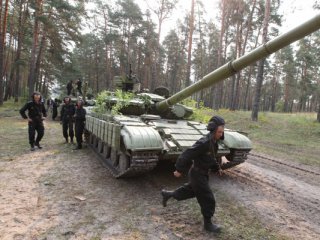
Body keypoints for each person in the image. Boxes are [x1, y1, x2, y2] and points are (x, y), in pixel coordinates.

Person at [161, 116, 225, 233]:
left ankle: (168, 194)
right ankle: (208, 225)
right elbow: (187, 154)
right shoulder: (204, 142)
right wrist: (179, 169)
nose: (221, 134)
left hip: (203, 174)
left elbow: (211, 158)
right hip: (197, 174)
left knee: (189, 191)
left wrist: (217, 168)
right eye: (219, 132)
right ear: (213, 130)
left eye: (222, 132)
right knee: (208, 198)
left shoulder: (213, 142)